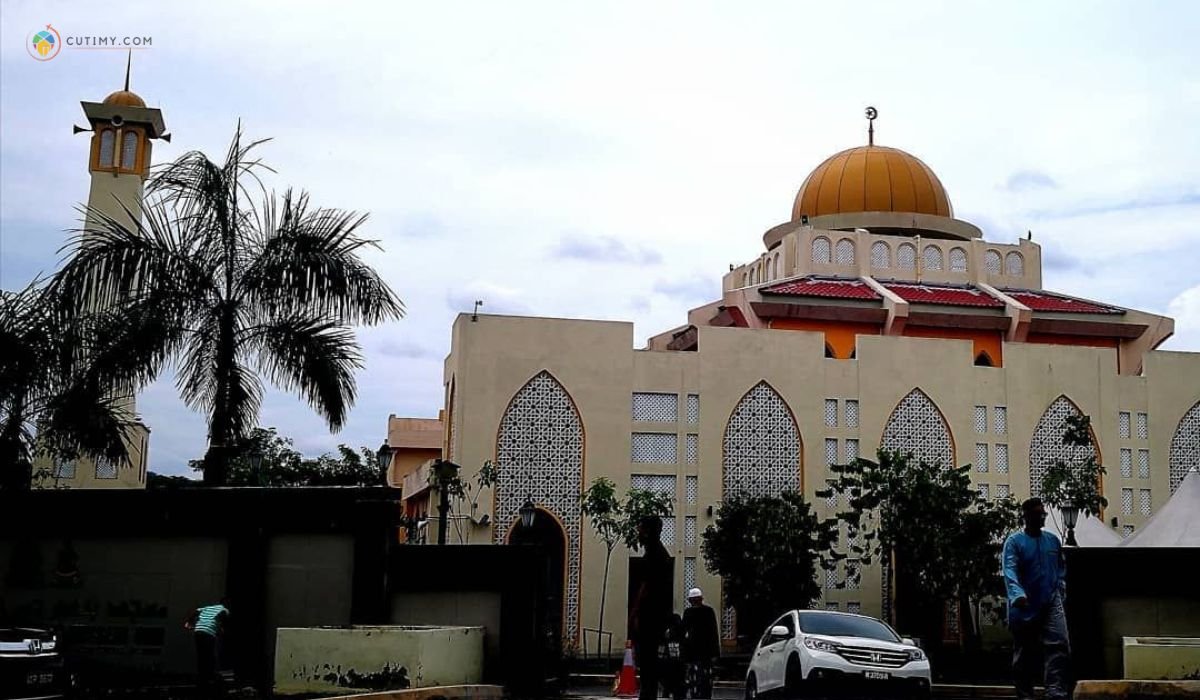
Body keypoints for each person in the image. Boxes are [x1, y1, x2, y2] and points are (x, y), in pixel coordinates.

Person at [1003, 497, 1071, 700]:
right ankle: (1025, 694)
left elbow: (1060, 569)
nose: (1042, 517)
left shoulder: (1052, 541)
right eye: (1037, 514)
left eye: (1043, 514)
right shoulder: (1015, 542)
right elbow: (1010, 570)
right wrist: (1018, 594)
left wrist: (1060, 590)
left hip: (1051, 600)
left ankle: (1055, 691)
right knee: (1024, 652)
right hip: (1024, 604)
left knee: (1059, 643)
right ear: (1026, 516)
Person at [630, 515, 673, 700]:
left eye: (640, 528)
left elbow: (646, 586)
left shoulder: (654, 554)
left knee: (648, 662)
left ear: (647, 531)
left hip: (651, 616)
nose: (637, 532)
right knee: (649, 663)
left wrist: (635, 612)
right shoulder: (659, 553)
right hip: (657, 615)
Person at [682, 587, 719, 699]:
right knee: (706, 673)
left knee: (696, 672)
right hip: (706, 649)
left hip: (694, 649)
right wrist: (715, 652)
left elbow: (683, 630)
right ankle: (705, 692)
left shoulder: (689, 612)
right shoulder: (708, 611)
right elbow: (714, 632)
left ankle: (696, 690)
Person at [185, 597, 230, 690]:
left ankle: (202, 676)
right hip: (209, 632)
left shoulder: (208, 608)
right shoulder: (224, 609)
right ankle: (209, 676)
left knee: (201, 655)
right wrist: (222, 629)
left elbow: (196, 611)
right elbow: (223, 619)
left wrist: (189, 622)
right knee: (210, 654)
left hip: (198, 631)